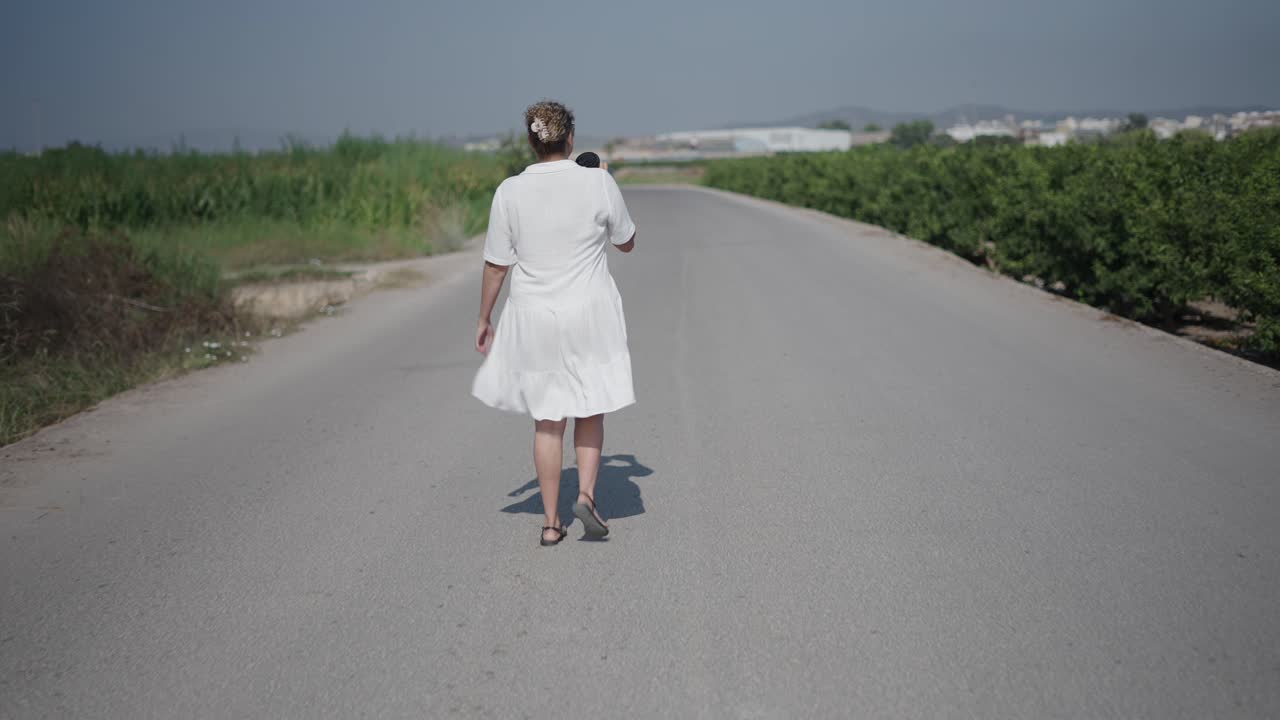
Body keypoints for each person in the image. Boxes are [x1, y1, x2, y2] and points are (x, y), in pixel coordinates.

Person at [471, 100, 637, 547]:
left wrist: (485, 317)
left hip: (535, 316)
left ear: (531, 141)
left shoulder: (509, 191)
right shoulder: (597, 182)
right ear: (570, 139)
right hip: (589, 313)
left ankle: (550, 522)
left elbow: (496, 265)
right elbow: (626, 242)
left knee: (548, 421)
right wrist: (603, 174)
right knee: (589, 406)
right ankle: (585, 494)